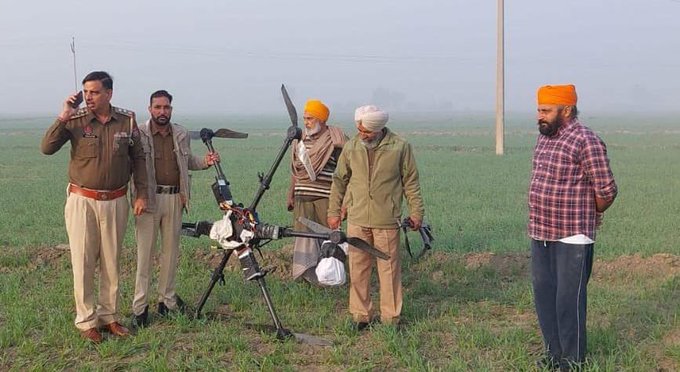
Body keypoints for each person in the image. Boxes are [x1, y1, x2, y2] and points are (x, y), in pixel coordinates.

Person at [40, 71, 148, 343]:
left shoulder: (127, 120)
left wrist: (141, 194)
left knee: (112, 261)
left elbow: (139, 158)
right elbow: (46, 148)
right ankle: (86, 320)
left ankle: (109, 317)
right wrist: (64, 114)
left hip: (116, 201)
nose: (88, 96)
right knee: (84, 261)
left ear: (109, 93)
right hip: (82, 201)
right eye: (86, 91)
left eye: (94, 92)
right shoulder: (75, 121)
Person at [529, 84, 618, 370]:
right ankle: (553, 355)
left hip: (573, 236)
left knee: (569, 301)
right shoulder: (545, 138)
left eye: (546, 111)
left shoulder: (585, 140)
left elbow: (607, 189)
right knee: (545, 298)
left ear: (566, 110)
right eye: (539, 110)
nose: (539, 116)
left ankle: (572, 361)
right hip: (541, 232)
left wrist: (592, 213)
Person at [327, 105, 424, 330]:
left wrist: (417, 212)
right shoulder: (351, 148)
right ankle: (361, 316)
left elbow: (411, 182)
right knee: (358, 270)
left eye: (367, 131)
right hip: (357, 220)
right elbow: (339, 181)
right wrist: (334, 212)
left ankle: (391, 319)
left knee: (388, 271)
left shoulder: (400, 147)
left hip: (387, 221)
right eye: (359, 130)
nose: (362, 134)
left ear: (379, 129)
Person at [131, 90, 219, 328]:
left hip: (174, 198)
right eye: (158, 107)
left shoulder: (180, 133)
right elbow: (130, 165)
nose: (162, 112)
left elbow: (187, 160)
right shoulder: (138, 133)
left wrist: (205, 162)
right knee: (145, 255)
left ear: (171, 109)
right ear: (150, 109)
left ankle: (167, 301)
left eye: (166, 107)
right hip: (148, 199)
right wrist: (136, 196)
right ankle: (140, 309)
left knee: (170, 254)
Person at [286, 99, 347, 285]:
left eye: (310, 118)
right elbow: (297, 170)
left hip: (326, 197)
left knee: (327, 237)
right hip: (302, 197)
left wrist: (344, 204)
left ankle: (330, 277)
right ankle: (308, 277)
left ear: (321, 120)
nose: (306, 122)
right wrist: (291, 193)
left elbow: (347, 173)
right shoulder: (299, 139)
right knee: (303, 237)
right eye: (305, 118)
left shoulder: (336, 140)